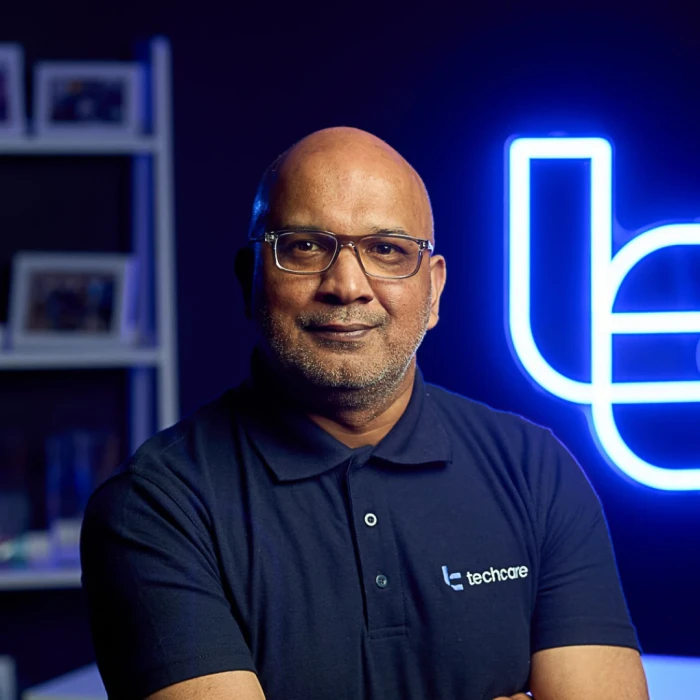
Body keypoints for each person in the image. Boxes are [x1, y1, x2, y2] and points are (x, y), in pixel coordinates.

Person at [80, 127, 650, 700]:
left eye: (387, 250)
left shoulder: (535, 473)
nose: (347, 286)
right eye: (305, 245)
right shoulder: (155, 508)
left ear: (433, 292)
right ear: (250, 280)